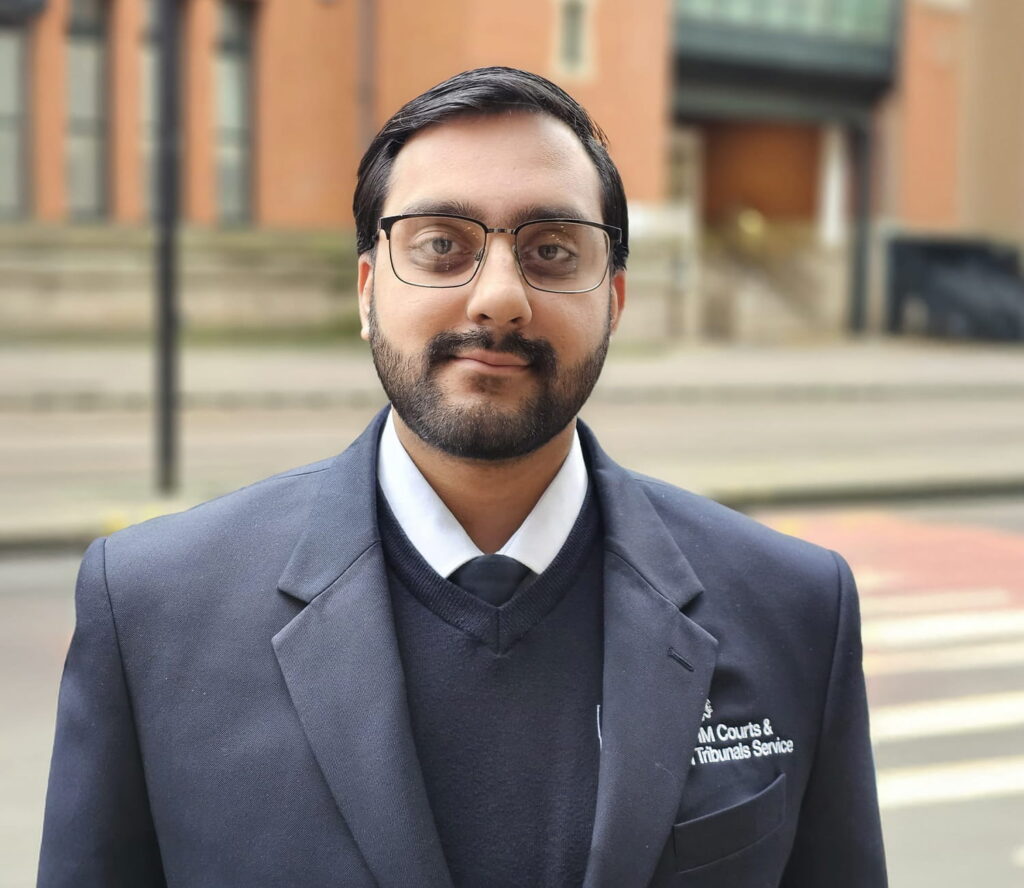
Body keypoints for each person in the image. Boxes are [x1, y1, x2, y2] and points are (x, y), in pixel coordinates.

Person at [38, 67, 887, 888]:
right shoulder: (152, 609)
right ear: (369, 289)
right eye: (442, 246)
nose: (499, 298)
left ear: (615, 300)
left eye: (553, 250)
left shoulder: (797, 609)